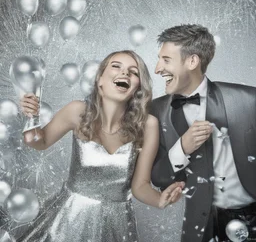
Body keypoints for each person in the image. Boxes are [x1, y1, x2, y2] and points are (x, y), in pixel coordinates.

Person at [18, 50, 184, 242]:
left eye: (134, 72)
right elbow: (39, 142)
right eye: (116, 66)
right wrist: (31, 117)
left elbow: (140, 186)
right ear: (100, 80)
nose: (125, 73)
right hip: (68, 220)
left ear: (138, 88)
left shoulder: (148, 125)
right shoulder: (77, 111)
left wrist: (159, 199)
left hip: (117, 226)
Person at [150, 24, 256, 242]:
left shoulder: (248, 100)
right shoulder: (157, 110)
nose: (157, 69)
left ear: (192, 61)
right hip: (201, 226)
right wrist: (182, 148)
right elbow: (158, 178)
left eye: (166, 60)